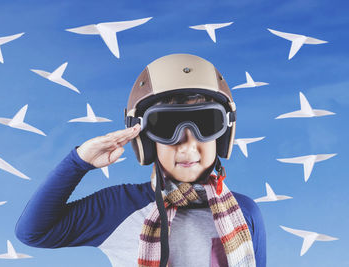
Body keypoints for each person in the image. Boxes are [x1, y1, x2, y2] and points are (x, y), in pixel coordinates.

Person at [15, 54, 266, 267]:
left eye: (206, 125)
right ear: (145, 140)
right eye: (168, 129)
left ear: (223, 135)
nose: (188, 145)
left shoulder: (245, 212)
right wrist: (78, 162)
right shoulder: (119, 207)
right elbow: (34, 232)